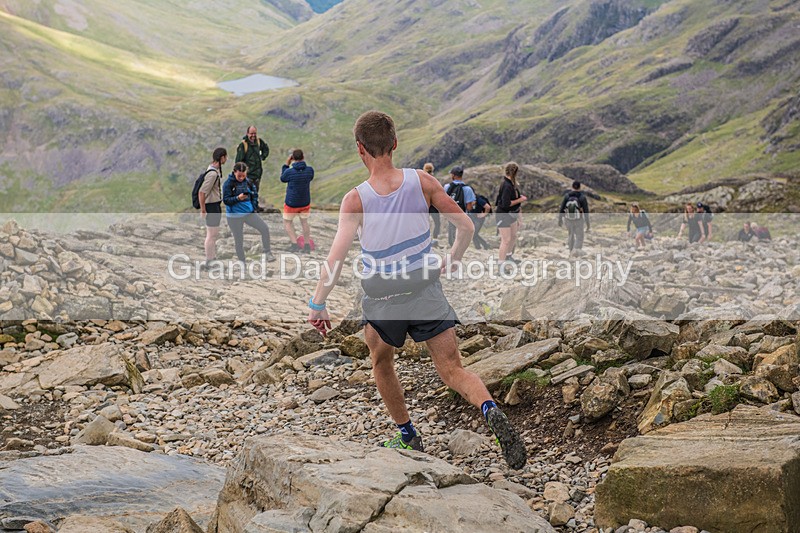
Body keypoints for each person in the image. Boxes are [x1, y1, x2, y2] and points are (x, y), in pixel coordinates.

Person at [306, 111, 527, 470]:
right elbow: (466, 227)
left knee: (382, 362)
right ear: (394, 143)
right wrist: (453, 258)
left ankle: (408, 434)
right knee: (453, 370)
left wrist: (318, 303)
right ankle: (488, 408)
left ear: (360, 149)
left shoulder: (355, 199)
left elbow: (336, 257)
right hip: (425, 288)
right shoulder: (422, 181)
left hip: (382, 299)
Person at [222, 162, 275, 263]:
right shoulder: (228, 184)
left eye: (243, 175)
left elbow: (254, 194)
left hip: (249, 214)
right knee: (239, 240)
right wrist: (238, 198)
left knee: (264, 228)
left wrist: (254, 207)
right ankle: (242, 263)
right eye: (239, 176)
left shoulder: (248, 182)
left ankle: (267, 252)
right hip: (234, 217)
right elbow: (226, 200)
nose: (241, 178)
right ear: (234, 172)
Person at [281, 148, 315, 253]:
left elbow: (283, 178)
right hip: (304, 202)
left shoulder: (289, 172)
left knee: (287, 222)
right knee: (304, 222)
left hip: (291, 203)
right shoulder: (309, 170)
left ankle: (294, 244)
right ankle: (307, 245)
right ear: (303, 157)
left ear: (292, 158)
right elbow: (310, 177)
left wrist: (286, 165)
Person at [199, 147, 227, 267]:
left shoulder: (213, 169)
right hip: (211, 206)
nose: (226, 159)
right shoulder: (213, 174)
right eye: (225, 157)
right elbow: (202, 192)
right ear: (222, 157)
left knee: (213, 234)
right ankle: (209, 261)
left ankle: (212, 258)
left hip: (214, 205)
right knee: (211, 235)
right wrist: (203, 209)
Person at [496, 163, 526, 266]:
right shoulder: (506, 185)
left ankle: (508, 257)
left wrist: (520, 219)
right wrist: (520, 200)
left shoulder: (513, 185)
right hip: (503, 214)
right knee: (506, 240)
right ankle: (501, 264)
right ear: (515, 172)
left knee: (513, 236)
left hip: (512, 215)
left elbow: (515, 203)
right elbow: (506, 204)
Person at [235, 126, 270, 202]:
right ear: (247, 133)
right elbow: (238, 162)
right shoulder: (243, 145)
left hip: (257, 174)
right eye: (251, 134)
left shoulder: (259, 142)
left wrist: (262, 157)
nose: (253, 135)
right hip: (247, 176)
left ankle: (254, 206)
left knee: (255, 193)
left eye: (254, 133)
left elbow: (266, 149)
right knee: (246, 195)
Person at [443, 166, 476, 247]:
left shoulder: (447, 187)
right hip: (462, 216)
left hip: (451, 215)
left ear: (453, 175)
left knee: (452, 234)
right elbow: (469, 207)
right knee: (460, 237)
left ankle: (452, 246)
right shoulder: (467, 189)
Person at [558, 181, 590, 254]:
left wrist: (560, 220)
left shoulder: (567, 196)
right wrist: (588, 223)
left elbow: (562, 208)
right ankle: (575, 252)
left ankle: (571, 252)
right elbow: (586, 211)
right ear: (580, 187)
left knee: (571, 235)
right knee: (579, 236)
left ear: (572, 187)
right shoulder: (582, 197)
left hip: (568, 219)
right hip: (578, 220)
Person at [424, 163, 442, 244]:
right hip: (433, 205)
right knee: (437, 223)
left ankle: (425, 239)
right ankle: (435, 238)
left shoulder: (422, 179)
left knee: (425, 223)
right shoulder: (434, 180)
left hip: (425, 204)